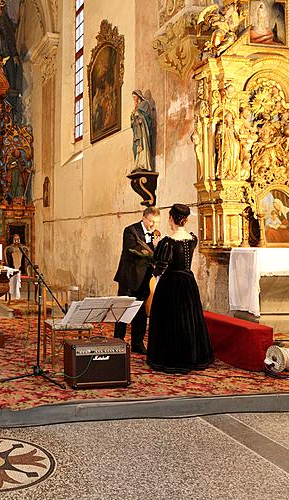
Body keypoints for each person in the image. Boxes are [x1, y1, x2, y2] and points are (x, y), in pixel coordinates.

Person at [146, 204, 213, 374]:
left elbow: (160, 266)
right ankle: (192, 356)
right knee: (189, 318)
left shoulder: (167, 242)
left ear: (171, 219)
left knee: (169, 320)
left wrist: (156, 247)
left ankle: (170, 357)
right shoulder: (192, 239)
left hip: (171, 283)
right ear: (185, 220)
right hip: (188, 281)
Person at [113, 206, 161, 354]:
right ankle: (118, 340)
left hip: (145, 278)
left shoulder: (155, 234)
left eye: (157, 222)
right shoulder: (131, 231)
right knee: (123, 309)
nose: (154, 225)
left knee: (140, 311)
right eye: (151, 221)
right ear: (144, 218)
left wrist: (158, 247)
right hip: (129, 277)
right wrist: (153, 248)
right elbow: (132, 249)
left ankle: (137, 343)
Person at [131, 90, 155, 171]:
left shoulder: (145, 104)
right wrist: (133, 116)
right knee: (137, 147)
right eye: (133, 98)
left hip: (143, 129)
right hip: (137, 130)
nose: (134, 99)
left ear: (138, 95)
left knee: (143, 144)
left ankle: (144, 163)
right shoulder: (137, 106)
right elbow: (133, 119)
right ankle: (138, 163)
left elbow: (146, 117)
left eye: (135, 97)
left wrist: (138, 115)